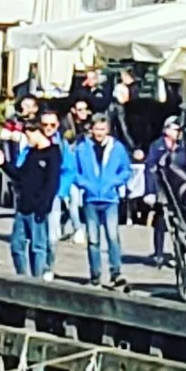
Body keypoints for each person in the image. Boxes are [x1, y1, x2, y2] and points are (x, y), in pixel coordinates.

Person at [64, 113, 136, 286]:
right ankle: (95, 274)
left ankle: (115, 273)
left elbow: (126, 170)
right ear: (91, 129)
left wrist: (114, 182)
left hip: (110, 199)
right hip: (90, 199)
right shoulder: (82, 148)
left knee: (112, 236)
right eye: (96, 129)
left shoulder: (117, 148)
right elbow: (74, 171)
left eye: (103, 129)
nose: (99, 133)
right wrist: (85, 184)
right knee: (93, 239)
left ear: (108, 129)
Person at [7, 109, 64, 279]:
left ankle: (37, 279)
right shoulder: (32, 153)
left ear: (37, 133)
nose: (27, 140)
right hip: (23, 206)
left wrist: (44, 206)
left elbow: (52, 183)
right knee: (17, 245)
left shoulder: (53, 153)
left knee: (38, 246)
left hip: (38, 208)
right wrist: (4, 165)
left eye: (28, 135)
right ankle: (22, 277)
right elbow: (20, 175)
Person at [141, 116, 186, 266]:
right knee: (161, 222)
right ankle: (158, 253)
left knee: (182, 225)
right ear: (167, 129)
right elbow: (149, 169)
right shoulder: (157, 146)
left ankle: (183, 255)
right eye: (176, 129)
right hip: (162, 190)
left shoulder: (183, 148)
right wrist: (149, 191)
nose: (178, 133)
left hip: (177, 191)